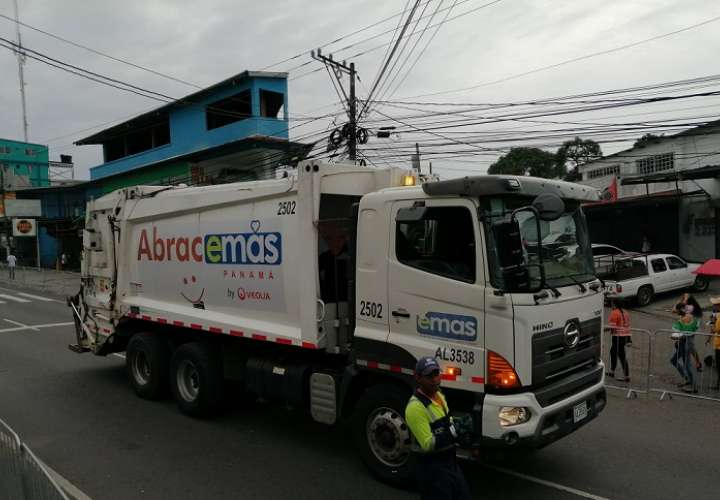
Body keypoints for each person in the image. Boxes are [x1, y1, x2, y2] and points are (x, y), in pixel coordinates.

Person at [405, 357, 471, 500]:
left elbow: (448, 423)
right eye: (429, 376)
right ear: (418, 378)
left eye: (436, 374)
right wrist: (454, 432)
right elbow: (428, 444)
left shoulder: (440, 396)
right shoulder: (415, 408)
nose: (435, 379)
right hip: (432, 469)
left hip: (450, 463)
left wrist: (460, 429)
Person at [670, 304, 699, 393]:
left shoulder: (683, 319)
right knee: (674, 360)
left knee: (687, 365)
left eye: (678, 311)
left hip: (685, 343)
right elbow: (695, 329)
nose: (677, 313)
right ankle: (687, 379)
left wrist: (675, 337)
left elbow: (681, 334)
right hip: (685, 343)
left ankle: (693, 386)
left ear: (682, 310)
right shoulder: (691, 317)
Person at [673, 293, 703, 372]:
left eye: (686, 297)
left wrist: (683, 301)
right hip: (683, 329)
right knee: (681, 346)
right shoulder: (683, 306)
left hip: (689, 331)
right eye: (684, 297)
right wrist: (680, 300)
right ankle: (687, 362)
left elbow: (677, 309)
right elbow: (674, 310)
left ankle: (697, 363)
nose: (684, 298)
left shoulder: (690, 307)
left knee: (691, 348)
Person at [607, 301, 631, 382]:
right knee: (614, 353)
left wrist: (604, 329)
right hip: (624, 337)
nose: (611, 306)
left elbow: (612, 327)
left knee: (620, 355)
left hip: (617, 337)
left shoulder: (614, 313)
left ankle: (626, 376)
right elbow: (627, 325)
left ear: (615, 304)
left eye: (612, 304)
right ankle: (612, 372)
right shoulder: (625, 312)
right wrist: (629, 338)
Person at [708, 297, 720, 390]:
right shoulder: (717, 316)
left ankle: (718, 385)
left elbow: (716, 330)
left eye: (715, 305)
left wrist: (712, 323)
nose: (713, 306)